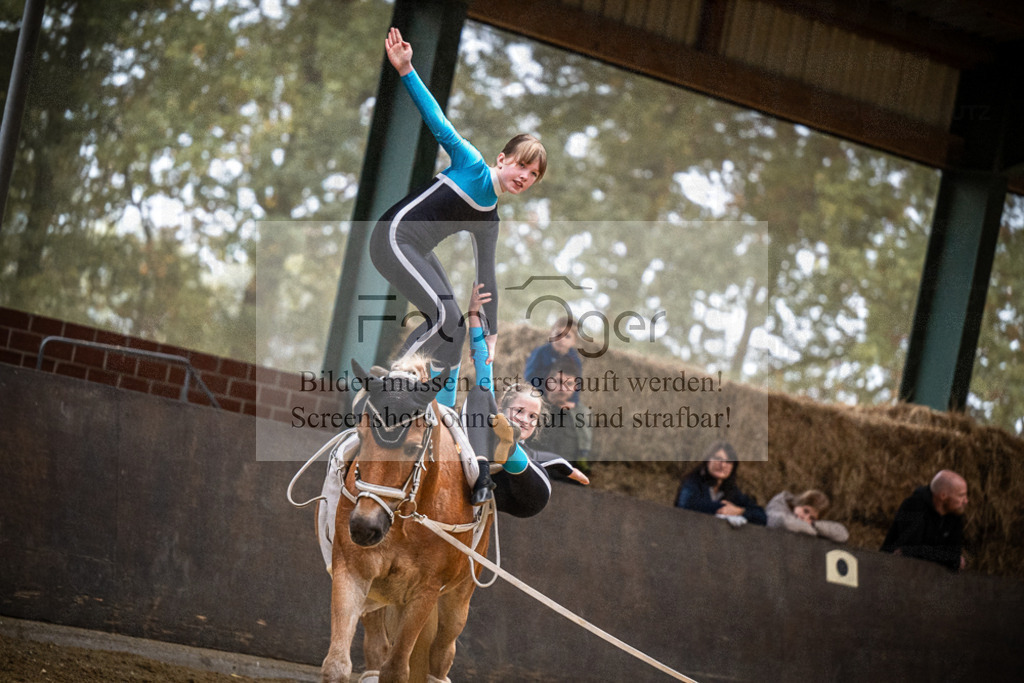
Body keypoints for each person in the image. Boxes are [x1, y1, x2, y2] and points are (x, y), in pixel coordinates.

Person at [369, 27, 546, 408]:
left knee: (455, 332)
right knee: (445, 314)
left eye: (533, 176)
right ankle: (396, 382)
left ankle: (433, 406)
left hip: (414, 247)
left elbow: (487, 278)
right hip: (393, 236)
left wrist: (494, 335)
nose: (524, 178)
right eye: (521, 166)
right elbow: (437, 121)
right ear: (503, 159)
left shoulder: (490, 220)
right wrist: (406, 70)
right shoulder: (470, 163)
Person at [463, 284, 589, 511]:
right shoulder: (541, 355)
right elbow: (482, 357)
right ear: (501, 406)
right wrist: (473, 315)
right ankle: (484, 470)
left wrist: (572, 470)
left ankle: (508, 447)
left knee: (535, 471)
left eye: (533, 416)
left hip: (518, 491)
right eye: (519, 411)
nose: (526, 419)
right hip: (484, 479)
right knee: (480, 391)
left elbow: (550, 458)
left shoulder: (530, 449)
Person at [881, 469, 969, 571]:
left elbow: (955, 555)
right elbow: (909, 551)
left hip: (927, 577)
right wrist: (948, 558)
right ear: (943, 496)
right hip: (894, 571)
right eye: (961, 495)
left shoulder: (954, 514)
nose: (966, 501)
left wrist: (949, 558)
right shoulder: (914, 506)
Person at [674, 441, 766, 527]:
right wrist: (723, 508)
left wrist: (739, 511)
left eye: (728, 461)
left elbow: (762, 516)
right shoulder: (693, 481)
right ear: (708, 460)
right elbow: (686, 504)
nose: (723, 465)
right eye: (718, 459)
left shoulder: (732, 491)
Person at [530, 355, 594, 474]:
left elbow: (583, 456)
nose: (563, 389)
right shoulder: (533, 407)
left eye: (569, 384)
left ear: (575, 387)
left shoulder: (580, 414)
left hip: (566, 479)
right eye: (559, 382)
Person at [524, 317, 584, 408]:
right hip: (540, 393)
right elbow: (529, 375)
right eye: (558, 334)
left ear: (574, 341)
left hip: (562, 396)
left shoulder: (574, 359)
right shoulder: (541, 353)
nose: (561, 339)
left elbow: (577, 382)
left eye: (567, 337)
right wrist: (538, 394)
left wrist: (573, 401)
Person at [766, 489, 849, 543]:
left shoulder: (809, 524)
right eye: (805, 511)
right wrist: (812, 530)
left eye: (812, 518)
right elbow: (782, 522)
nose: (805, 518)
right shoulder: (778, 505)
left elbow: (843, 535)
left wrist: (814, 524)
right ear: (799, 503)